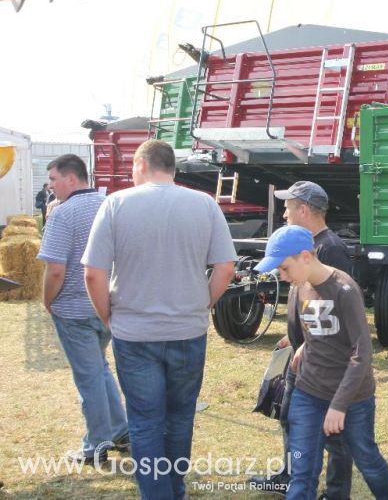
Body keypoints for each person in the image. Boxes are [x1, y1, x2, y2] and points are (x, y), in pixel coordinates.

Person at [83, 139, 236, 499]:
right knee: (180, 419)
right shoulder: (204, 204)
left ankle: (157, 493)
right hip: (188, 330)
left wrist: (108, 316)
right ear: (172, 169)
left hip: (134, 332)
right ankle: (174, 489)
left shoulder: (117, 203)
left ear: (140, 165)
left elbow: (93, 274)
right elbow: (225, 268)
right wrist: (202, 305)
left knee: (145, 421)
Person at [254, 225, 388, 500]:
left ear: (306, 257)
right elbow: (320, 328)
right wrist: (305, 346)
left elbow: (362, 352)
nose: (282, 276)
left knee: (368, 462)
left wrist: (339, 405)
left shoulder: (344, 289)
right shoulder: (299, 289)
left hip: (353, 400)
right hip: (308, 395)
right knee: (302, 471)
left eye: (285, 268)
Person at [249, 181, 353, 499]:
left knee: (333, 435)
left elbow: (341, 307)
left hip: (320, 359)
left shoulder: (330, 248)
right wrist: (292, 333)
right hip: (301, 352)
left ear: (304, 209)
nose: (283, 213)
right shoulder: (302, 244)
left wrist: (309, 343)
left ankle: (333, 493)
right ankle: (290, 477)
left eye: (288, 207)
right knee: (290, 418)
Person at [36, 154, 129, 464]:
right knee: (99, 369)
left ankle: (96, 446)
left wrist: (47, 300)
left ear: (71, 179)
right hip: (106, 306)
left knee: (89, 377)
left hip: (74, 311)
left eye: (53, 180)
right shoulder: (110, 206)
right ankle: (119, 430)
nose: (50, 187)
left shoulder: (63, 214)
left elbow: (56, 271)